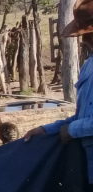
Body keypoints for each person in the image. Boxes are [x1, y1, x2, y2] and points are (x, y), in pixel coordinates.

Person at [24, 0, 93, 143]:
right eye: (85, 35)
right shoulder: (89, 66)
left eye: (89, 34)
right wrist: (46, 129)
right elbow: (82, 117)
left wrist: (71, 130)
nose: (85, 40)